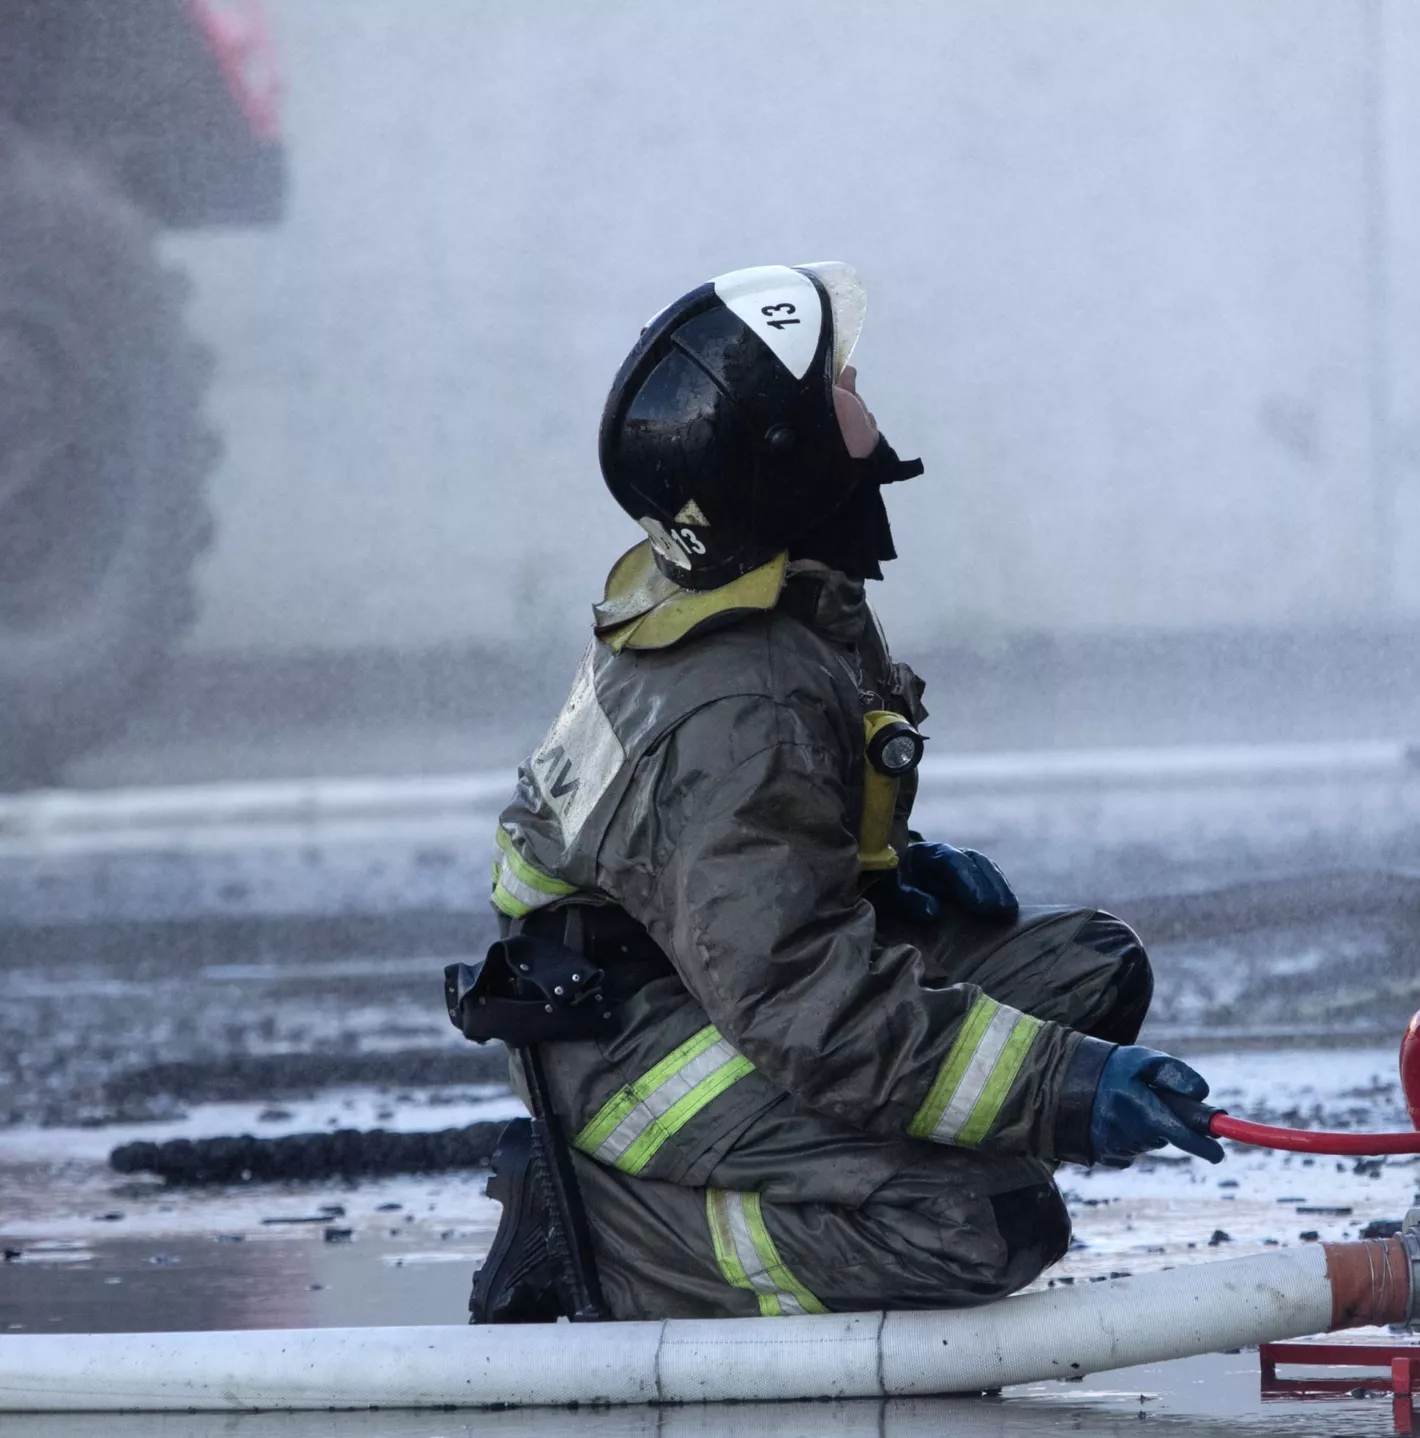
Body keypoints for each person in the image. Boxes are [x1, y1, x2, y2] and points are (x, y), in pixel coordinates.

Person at [468, 263, 1220, 1323]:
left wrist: (880, 865)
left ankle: (866, 1162)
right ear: (787, 457)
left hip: (694, 967)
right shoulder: (746, 700)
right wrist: (1063, 1088)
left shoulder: (774, 597)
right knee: (989, 1224)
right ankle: (606, 1234)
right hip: (634, 1043)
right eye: (838, 387)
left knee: (1089, 972)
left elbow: (720, 862)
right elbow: (806, 1003)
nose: (862, 394)